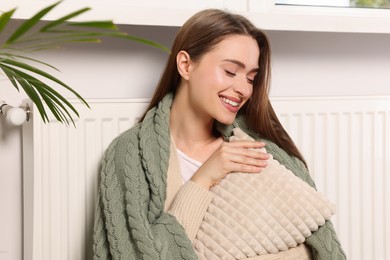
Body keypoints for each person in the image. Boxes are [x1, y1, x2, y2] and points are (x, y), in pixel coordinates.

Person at [93, 9, 346, 260]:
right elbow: (140, 254)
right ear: (185, 65)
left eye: (250, 78)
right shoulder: (129, 155)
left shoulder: (260, 153)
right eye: (230, 71)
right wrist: (202, 180)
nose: (243, 89)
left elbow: (312, 246)